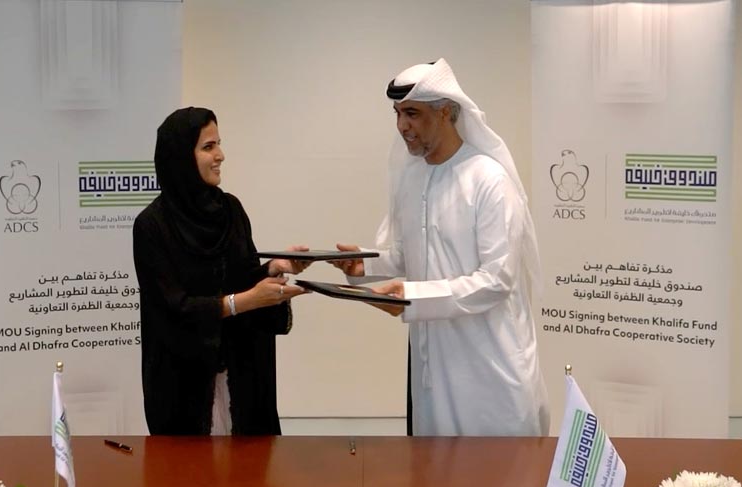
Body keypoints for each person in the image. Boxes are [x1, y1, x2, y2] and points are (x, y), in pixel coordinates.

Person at [333, 59, 549, 436]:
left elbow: (497, 280)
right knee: (434, 469)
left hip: (489, 368)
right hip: (433, 367)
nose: (402, 126)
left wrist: (411, 297)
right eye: (398, 114)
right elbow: (411, 255)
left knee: (498, 473)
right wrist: (365, 266)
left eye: (412, 114)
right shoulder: (413, 178)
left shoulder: (489, 180)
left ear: (446, 112)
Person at [133, 106, 309, 436]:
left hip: (241, 379)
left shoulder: (231, 210)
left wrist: (274, 268)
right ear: (181, 157)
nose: (220, 156)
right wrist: (244, 301)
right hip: (184, 388)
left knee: (249, 466)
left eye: (219, 144)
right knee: (192, 469)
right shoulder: (152, 226)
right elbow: (172, 308)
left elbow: (241, 277)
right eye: (208, 146)